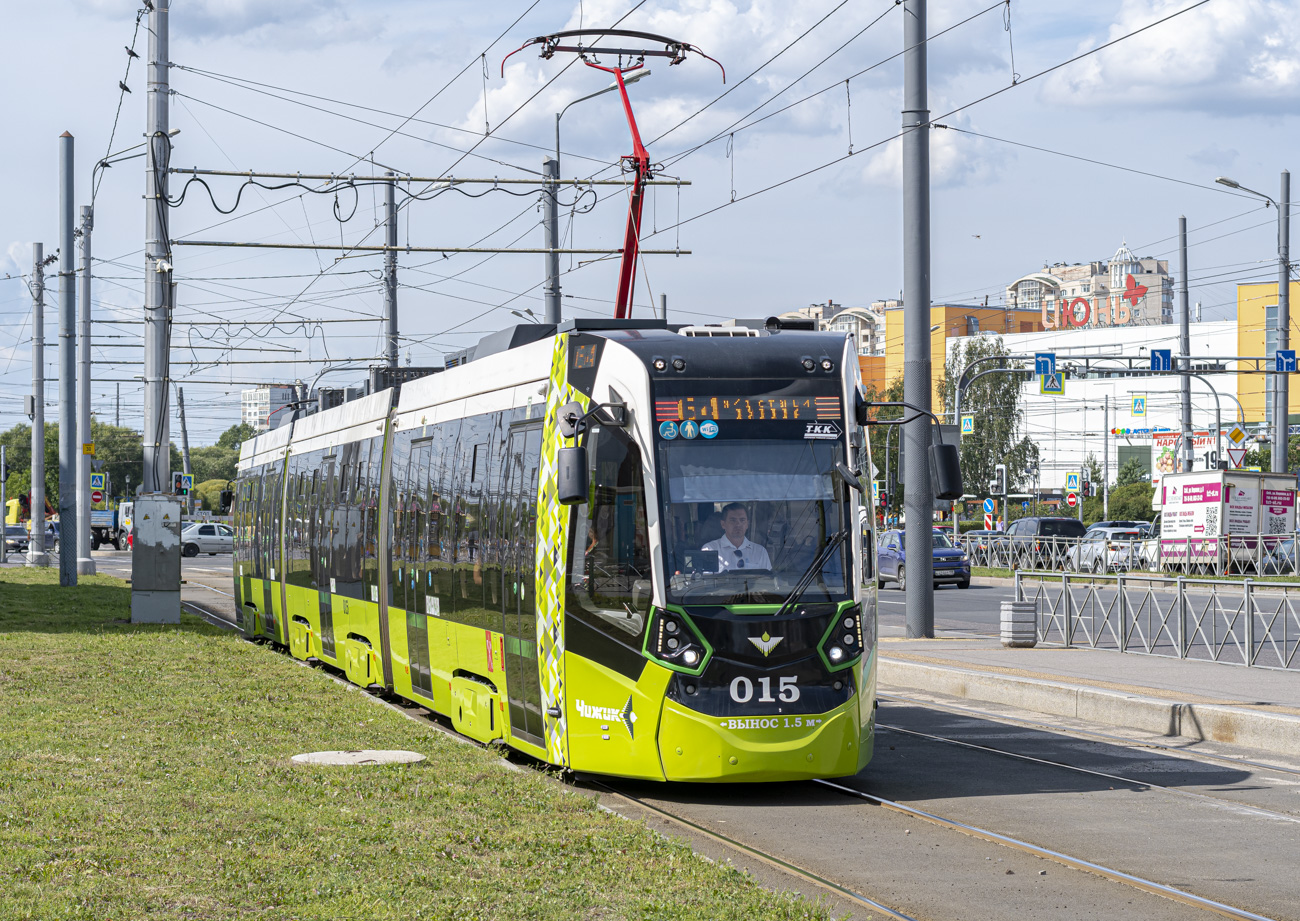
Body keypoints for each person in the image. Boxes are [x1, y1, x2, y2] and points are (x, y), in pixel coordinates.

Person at [700, 503, 771, 572]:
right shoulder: (709, 550)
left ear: (747, 524)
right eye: (733, 520)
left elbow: (768, 581)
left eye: (742, 520)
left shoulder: (760, 552)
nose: (738, 524)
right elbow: (705, 582)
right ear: (723, 524)